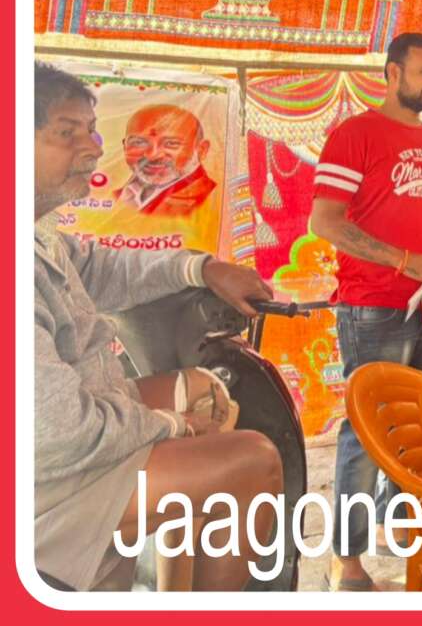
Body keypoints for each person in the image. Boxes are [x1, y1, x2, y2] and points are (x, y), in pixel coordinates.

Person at [34, 61, 283, 591]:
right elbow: (55, 435)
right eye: (66, 132)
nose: (92, 148)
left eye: (92, 130)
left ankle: (168, 594)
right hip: (46, 487)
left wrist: (203, 269)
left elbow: (104, 269)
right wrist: (170, 426)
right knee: (253, 462)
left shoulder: (38, 235)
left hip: (66, 439)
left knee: (205, 397)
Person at [309, 32, 422, 591]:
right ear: (392, 73)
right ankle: (347, 560)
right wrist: (403, 260)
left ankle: (398, 522)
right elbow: (325, 222)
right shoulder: (354, 134)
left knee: (416, 422)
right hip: (374, 306)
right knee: (366, 432)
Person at [116, 104, 217, 216]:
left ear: (201, 150)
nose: (152, 155)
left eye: (171, 143)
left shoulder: (211, 202)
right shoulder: (118, 196)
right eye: (139, 142)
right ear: (125, 146)